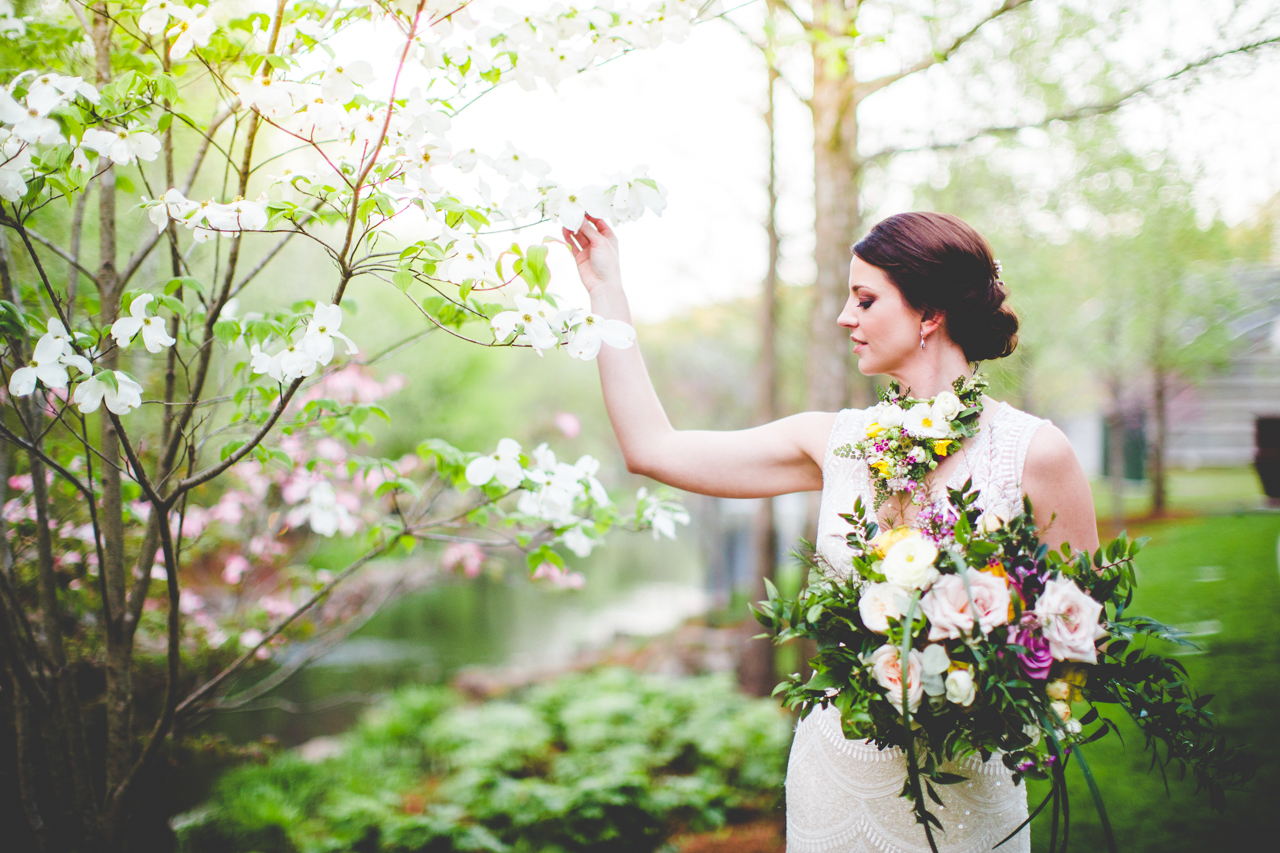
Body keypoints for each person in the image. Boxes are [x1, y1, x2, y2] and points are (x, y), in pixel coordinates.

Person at [563, 209, 1098, 853]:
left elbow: (1079, 635)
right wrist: (606, 294)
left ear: (929, 314)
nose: (845, 317)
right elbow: (653, 447)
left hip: (972, 788)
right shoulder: (835, 444)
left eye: (865, 299)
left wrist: (986, 681)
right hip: (836, 780)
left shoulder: (1035, 453)